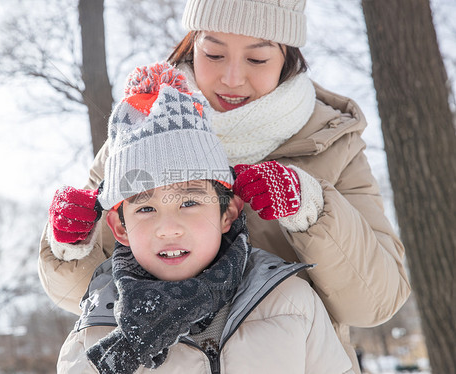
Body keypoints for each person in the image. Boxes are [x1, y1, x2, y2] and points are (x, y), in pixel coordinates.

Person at [40, 1, 411, 371]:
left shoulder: (332, 143)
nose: (232, 78)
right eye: (214, 54)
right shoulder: (135, 133)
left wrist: (311, 208)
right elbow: (84, 294)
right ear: (191, 44)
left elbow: (374, 302)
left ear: (288, 58)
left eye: (257, 59)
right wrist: (70, 244)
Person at [57, 63, 354, 373]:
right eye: (145, 208)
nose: (168, 228)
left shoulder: (290, 302)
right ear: (120, 227)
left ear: (228, 213)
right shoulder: (93, 333)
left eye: (189, 202)